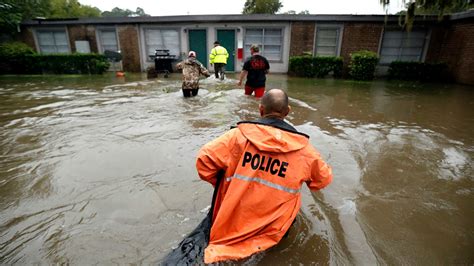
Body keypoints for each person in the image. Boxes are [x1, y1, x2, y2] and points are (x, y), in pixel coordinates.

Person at [196, 88, 333, 263]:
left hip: (231, 224)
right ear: (288, 112)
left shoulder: (237, 137)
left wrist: (225, 186)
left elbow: (204, 160)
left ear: (261, 110)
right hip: (273, 231)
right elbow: (323, 180)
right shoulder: (305, 151)